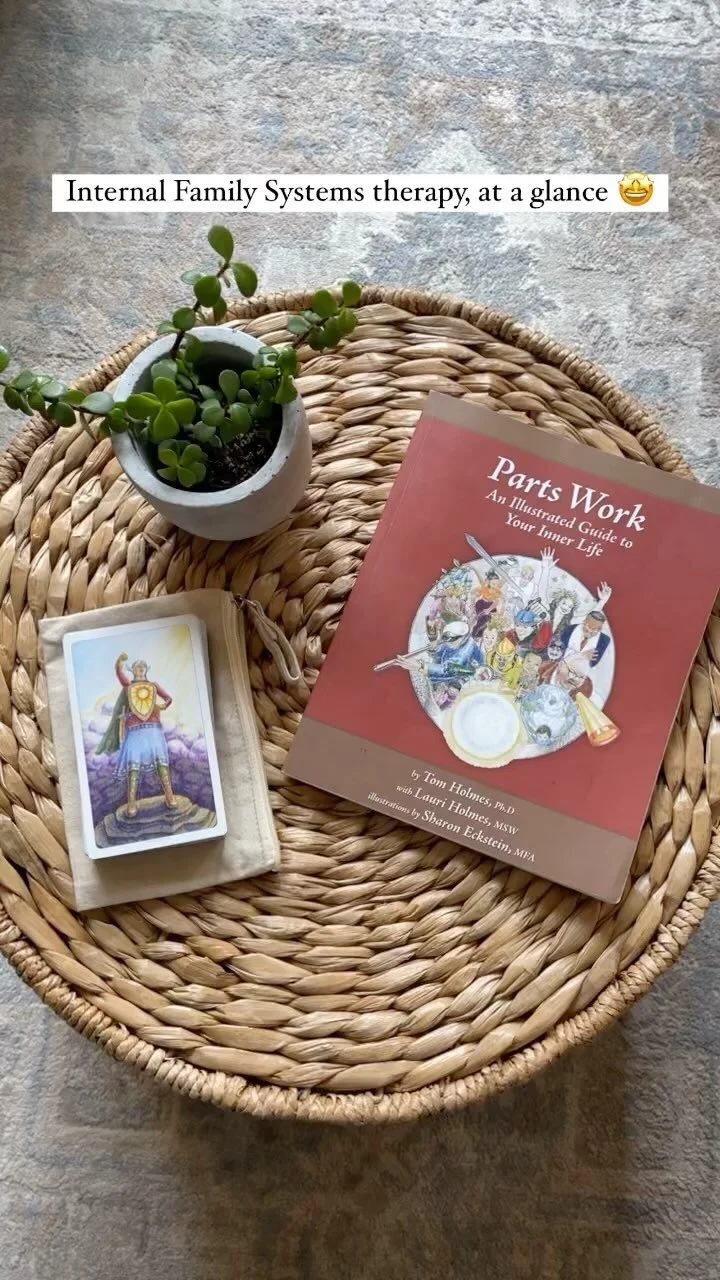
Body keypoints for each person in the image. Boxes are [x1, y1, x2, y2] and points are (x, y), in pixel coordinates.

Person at [96, 652, 177, 817]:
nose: (140, 669)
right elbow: (120, 674)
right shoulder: (129, 687)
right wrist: (119, 663)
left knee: (161, 763)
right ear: (132, 670)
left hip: (153, 728)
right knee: (133, 767)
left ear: (146, 670)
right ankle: (131, 802)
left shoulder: (153, 686)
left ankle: (169, 795)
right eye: (137, 667)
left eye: (142, 667)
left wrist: (161, 706)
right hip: (134, 730)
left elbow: (168, 698)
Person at [426, 620, 487, 687]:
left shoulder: (465, 651)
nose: (447, 641)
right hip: (453, 679)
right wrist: (435, 649)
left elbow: (449, 671)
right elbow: (442, 651)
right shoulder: (455, 641)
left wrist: (426, 668)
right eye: (445, 637)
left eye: (450, 638)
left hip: (467, 682)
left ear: (461, 637)